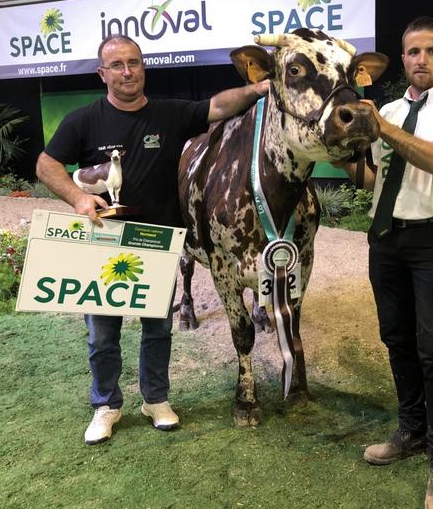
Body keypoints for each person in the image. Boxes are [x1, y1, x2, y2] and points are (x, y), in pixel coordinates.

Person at [36, 34, 268, 445]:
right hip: (103, 241)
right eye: (118, 65)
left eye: (135, 63)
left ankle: (155, 400)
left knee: (157, 329)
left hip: (155, 243)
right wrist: (77, 196)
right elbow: (46, 164)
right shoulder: (83, 120)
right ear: (102, 73)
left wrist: (258, 88)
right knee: (102, 334)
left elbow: (217, 106)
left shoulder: (170, 114)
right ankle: (105, 405)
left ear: (143, 68)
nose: (128, 72)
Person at [344, 16, 433, 509]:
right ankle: (411, 431)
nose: (420, 59)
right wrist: (344, 153)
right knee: (397, 340)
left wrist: (379, 126)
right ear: (401, 58)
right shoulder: (386, 108)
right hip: (386, 237)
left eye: (431, 51)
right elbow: (377, 180)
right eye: (412, 52)